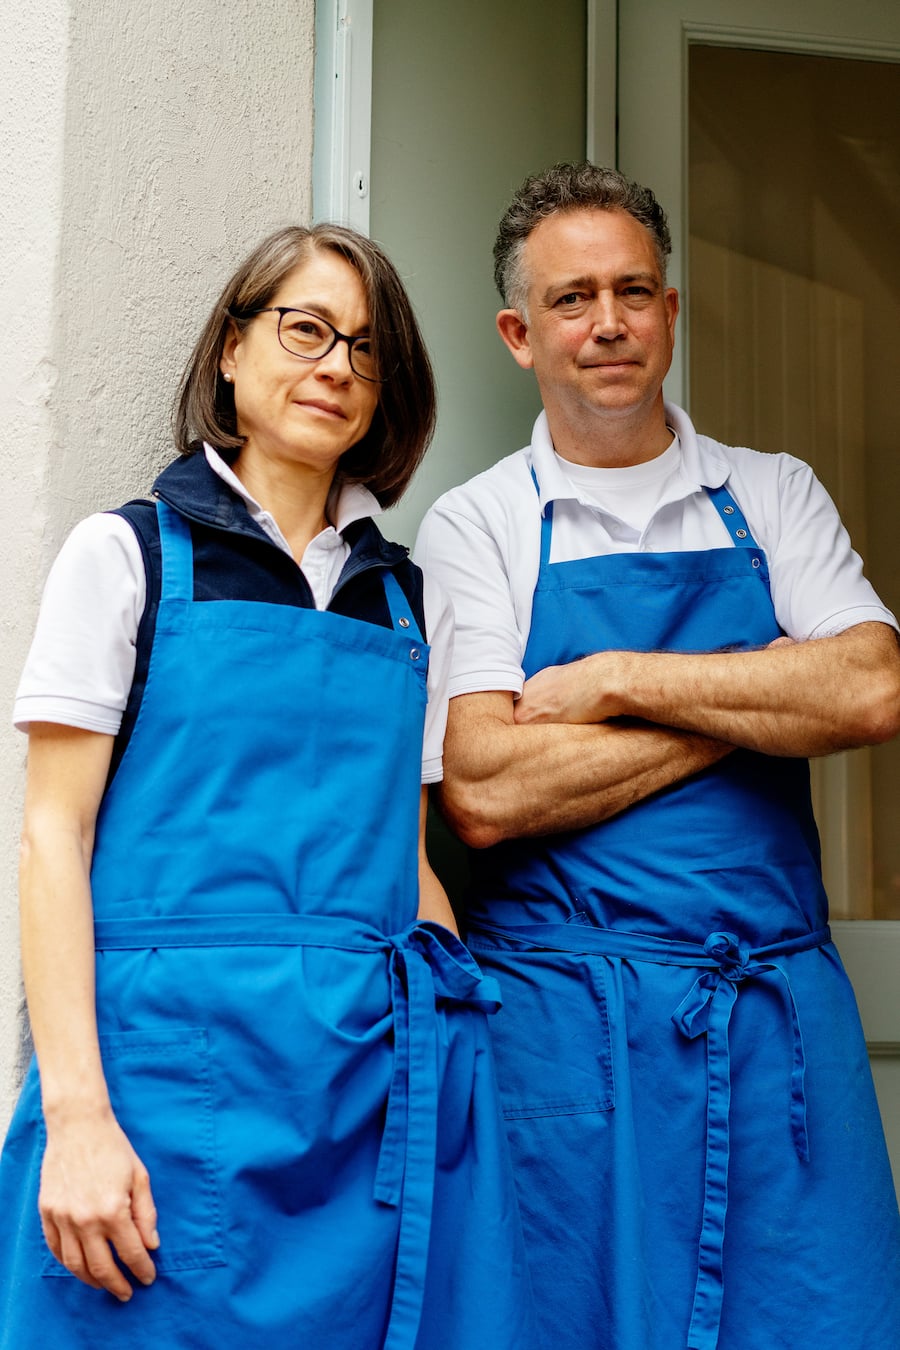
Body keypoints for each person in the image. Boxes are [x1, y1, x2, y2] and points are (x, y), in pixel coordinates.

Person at [0, 223, 537, 1349]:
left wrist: (457, 1063)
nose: (336, 364)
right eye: (305, 329)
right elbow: (52, 839)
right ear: (232, 352)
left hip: (363, 1107)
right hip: (154, 1093)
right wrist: (78, 1118)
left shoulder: (409, 601)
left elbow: (414, 855)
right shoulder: (126, 559)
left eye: (366, 347)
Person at [415, 163, 900, 1350]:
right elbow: (484, 788)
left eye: (635, 291)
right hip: (564, 1032)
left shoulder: (774, 494)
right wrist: (755, 697)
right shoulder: (476, 524)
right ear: (519, 334)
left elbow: (873, 686)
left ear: (672, 314)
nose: (610, 323)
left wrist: (616, 681)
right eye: (573, 299)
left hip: (778, 1015)